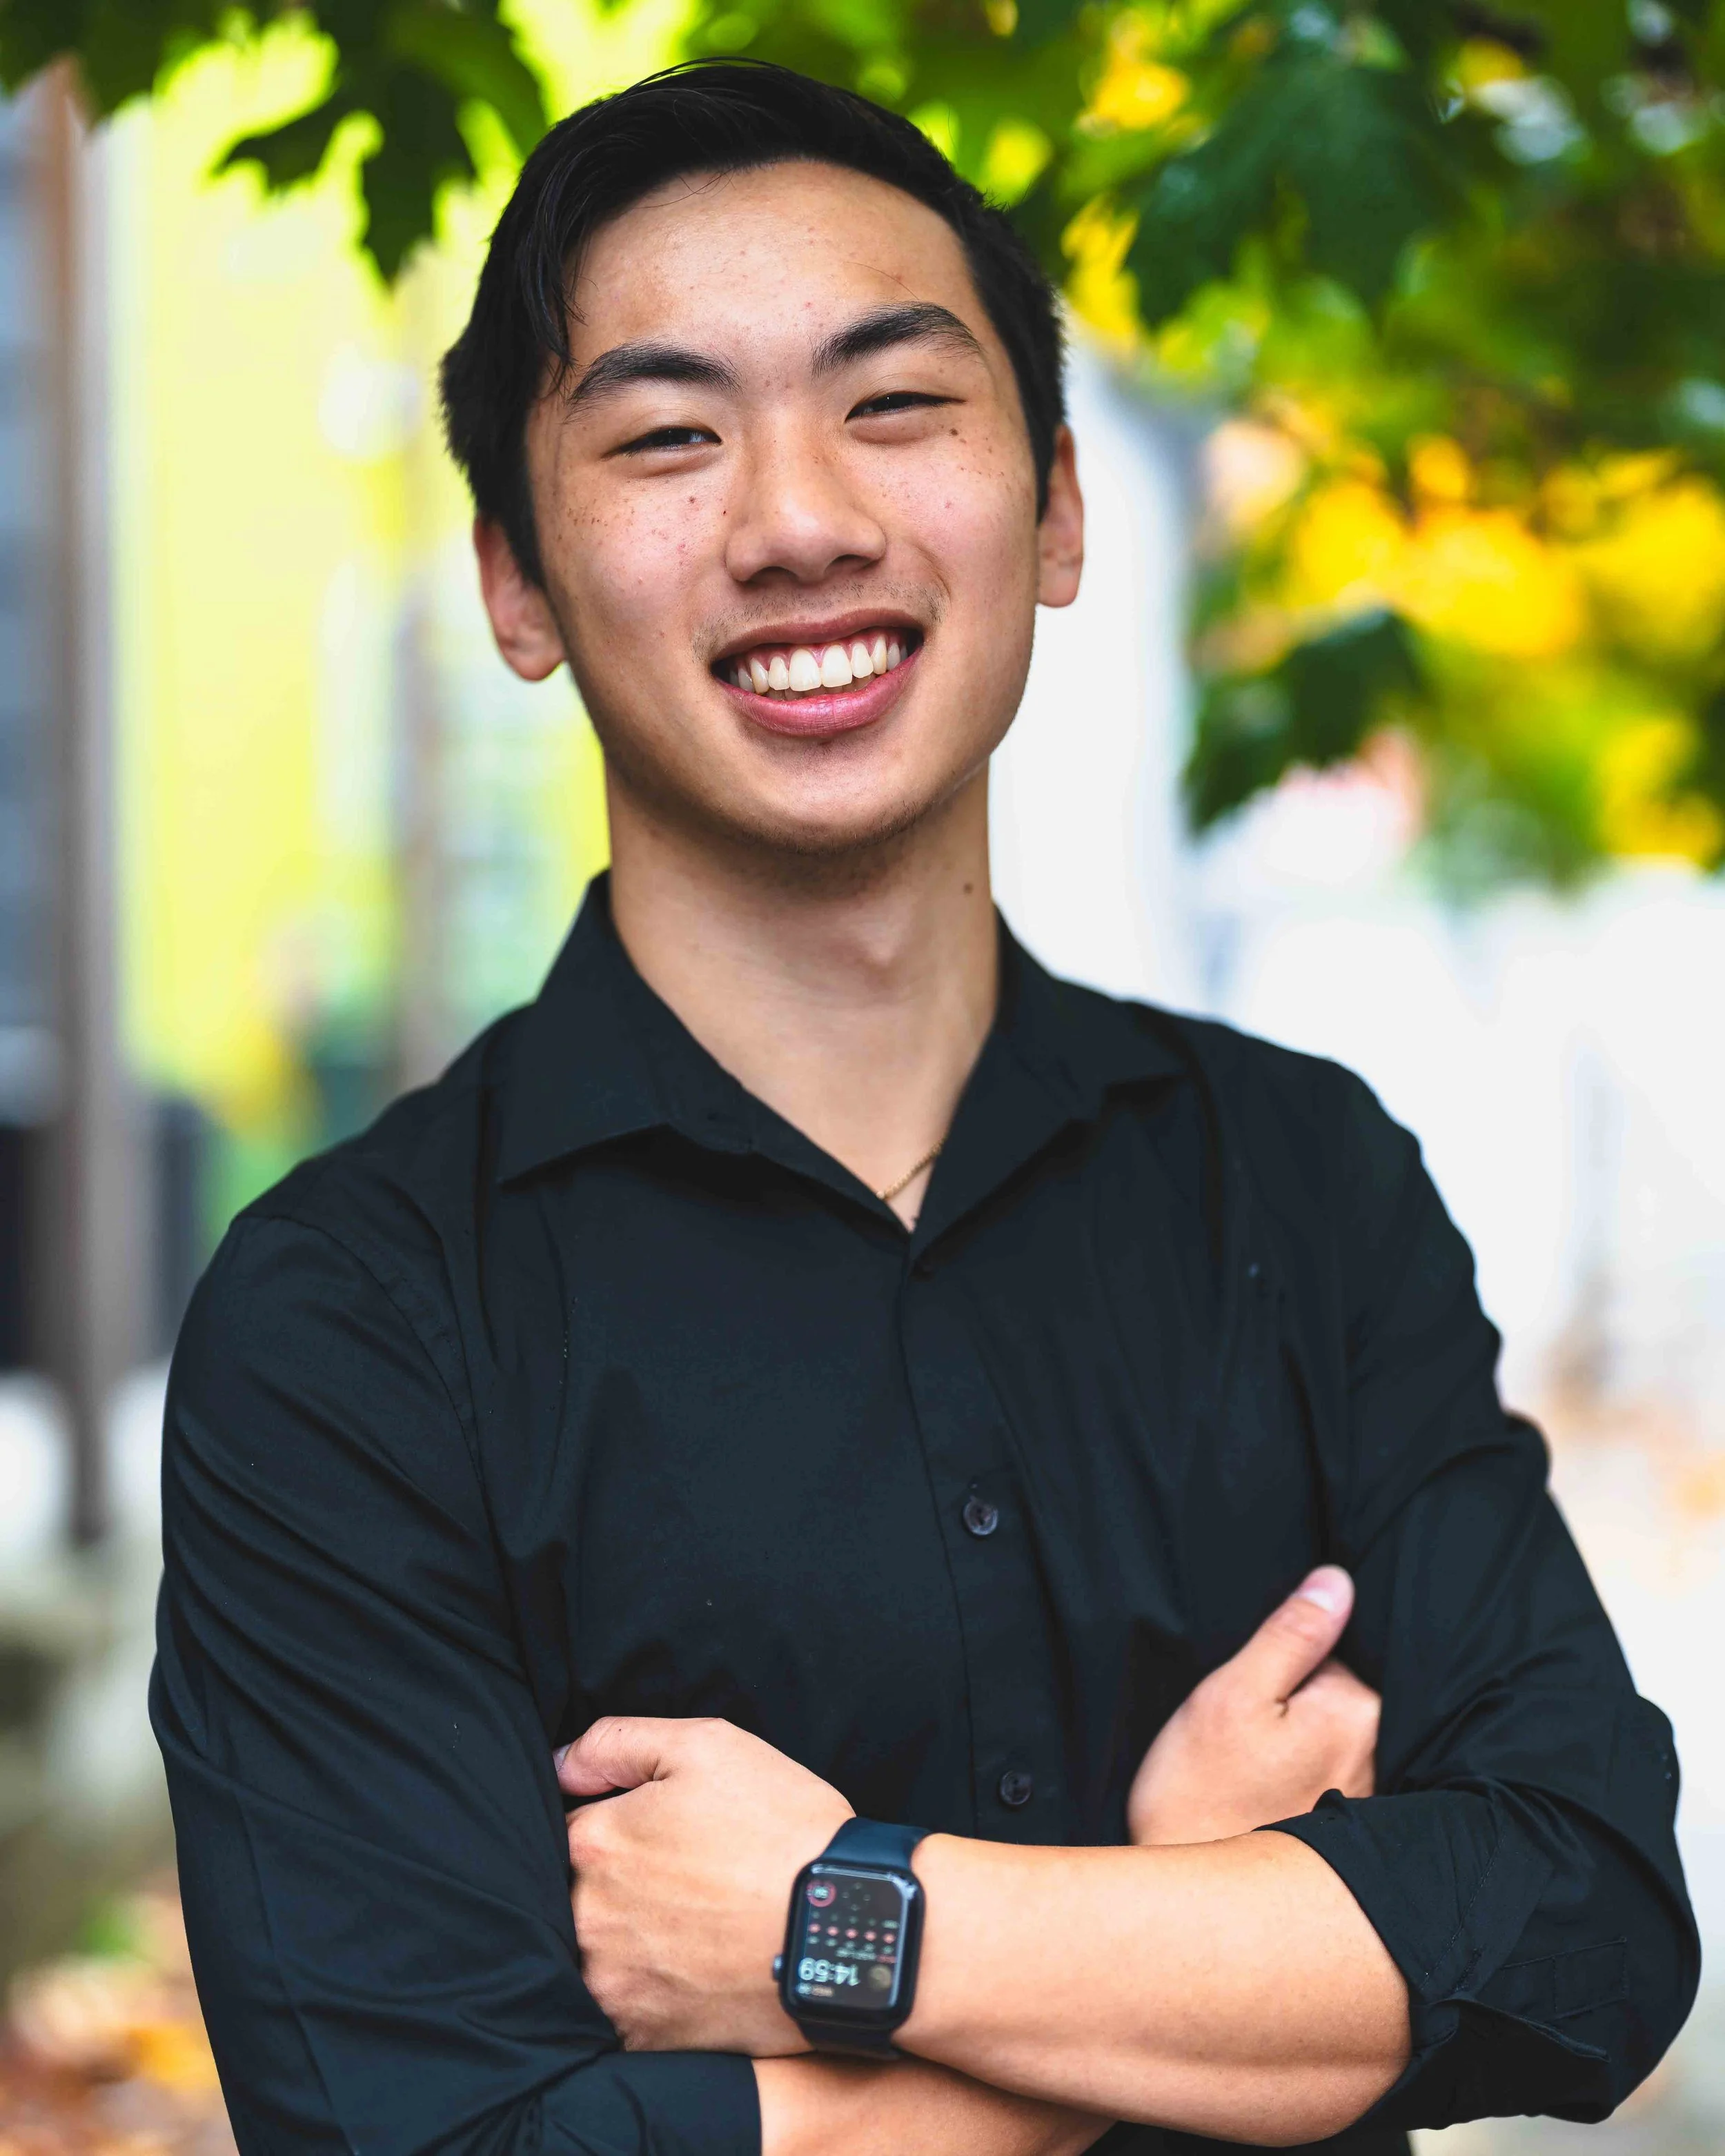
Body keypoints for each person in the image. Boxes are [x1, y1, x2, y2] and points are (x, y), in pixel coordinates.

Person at [150, 59, 1697, 2156]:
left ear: (1054, 506)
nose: (799, 520)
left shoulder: (1301, 1181)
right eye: (670, 437)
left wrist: (836, 1924)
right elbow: (430, 2137)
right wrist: (1188, 1949)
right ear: (517, 581)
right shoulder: (352, 1320)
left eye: (894, 404)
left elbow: (1580, 1927)